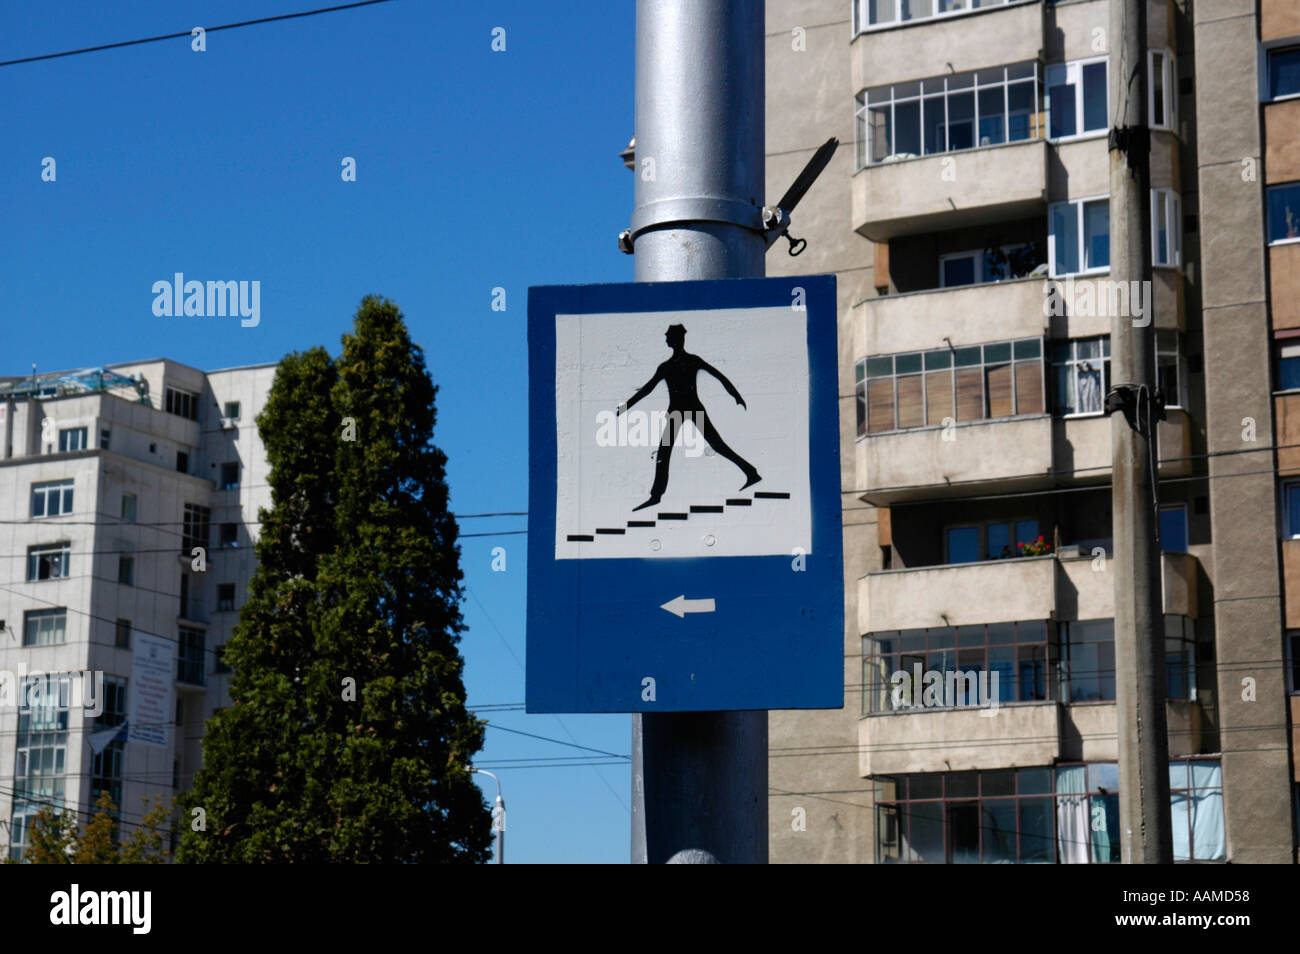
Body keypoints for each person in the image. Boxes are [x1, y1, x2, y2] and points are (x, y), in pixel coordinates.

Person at [618, 323, 761, 512]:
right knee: (666, 452)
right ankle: (656, 496)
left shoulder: (679, 364)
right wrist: (625, 406)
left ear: (677, 339)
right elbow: (648, 389)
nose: (666, 339)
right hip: (682, 411)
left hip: (688, 409)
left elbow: (719, 376)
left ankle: (751, 472)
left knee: (712, 446)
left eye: (669, 337)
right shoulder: (671, 365)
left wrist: (736, 395)